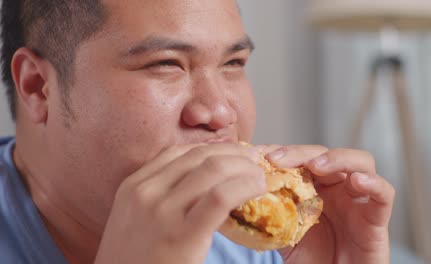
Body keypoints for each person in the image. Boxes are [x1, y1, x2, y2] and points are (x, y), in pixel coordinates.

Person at [0, 0, 395, 263]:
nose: (220, 112)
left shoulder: (259, 243)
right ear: (38, 87)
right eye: (166, 64)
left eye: (234, 62)